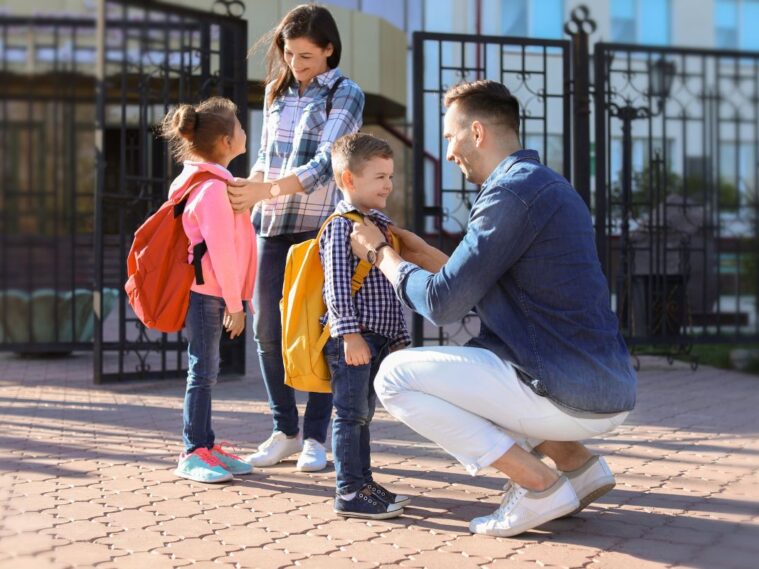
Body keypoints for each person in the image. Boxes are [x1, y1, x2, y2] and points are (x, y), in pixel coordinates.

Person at [350, 80, 637, 537]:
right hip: (604, 385)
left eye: (450, 138)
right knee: (477, 367)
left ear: (477, 132)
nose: (448, 153)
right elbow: (479, 288)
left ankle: (539, 485)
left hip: (566, 389)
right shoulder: (547, 186)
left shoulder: (510, 195)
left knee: (395, 377)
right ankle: (578, 465)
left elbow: (444, 304)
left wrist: (380, 256)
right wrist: (422, 254)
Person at [227, 4, 365, 472]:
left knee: (318, 330)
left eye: (306, 56)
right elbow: (267, 154)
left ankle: (315, 438)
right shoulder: (274, 92)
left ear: (329, 50)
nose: (296, 64)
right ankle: (284, 430)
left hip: (319, 225)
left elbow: (329, 162)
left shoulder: (346, 93)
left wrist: (269, 188)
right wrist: (249, 194)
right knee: (268, 329)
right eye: (289, 54)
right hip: (271, 224)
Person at [161, 97, 257, 484]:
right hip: (208, 292)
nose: (245, 132)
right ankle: (192, 452)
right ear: (224, 140)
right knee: (202, 371)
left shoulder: (199, 180)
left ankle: (205, 444)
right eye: (240, 127)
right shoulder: (212, 189)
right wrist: (235, 305)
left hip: (207, 290)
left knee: (207, 370)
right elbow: (221, 252)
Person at [320, 133, 411, 519]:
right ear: (348, 180)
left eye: (390, 175)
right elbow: (336, 285)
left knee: (363, 415)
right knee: (349, 414)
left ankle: (364, 482)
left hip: (374, 340)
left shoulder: (378, 225)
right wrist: (350, 333)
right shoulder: (342, 227)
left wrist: (398, 338)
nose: (388, 184)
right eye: (378, 177)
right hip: (353, 339)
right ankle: (349, 490)